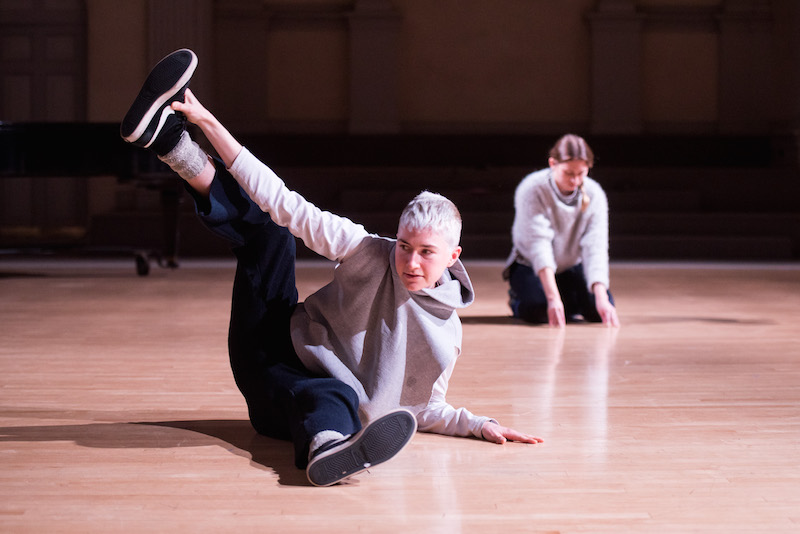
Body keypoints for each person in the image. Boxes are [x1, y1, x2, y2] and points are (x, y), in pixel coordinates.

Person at [121, 49, 542, 487]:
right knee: (271, 233)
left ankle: (328, 447)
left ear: (453, 257)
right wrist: (206, 121)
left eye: (426, 252)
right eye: (403, 245)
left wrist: (476, 424)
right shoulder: (366, 249)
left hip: (286, 394)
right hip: (270, 345)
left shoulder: (446, 335)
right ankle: (170, 141)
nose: (410, 261)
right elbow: (283, 200)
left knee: (334, 394)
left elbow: (423, 407)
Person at [503, 134, 620, 328]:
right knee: (540, 310)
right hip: (530, 265)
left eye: (582, 173)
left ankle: (568, 299)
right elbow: (538, 244)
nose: (575, 180)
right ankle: (518, 298)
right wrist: (552, 297)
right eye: (568, 173)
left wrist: (600, 295)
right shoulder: (532, 188)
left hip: (570, 266)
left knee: (599, 310)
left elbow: (596, 245)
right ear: (552, 163)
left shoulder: (594, 193)